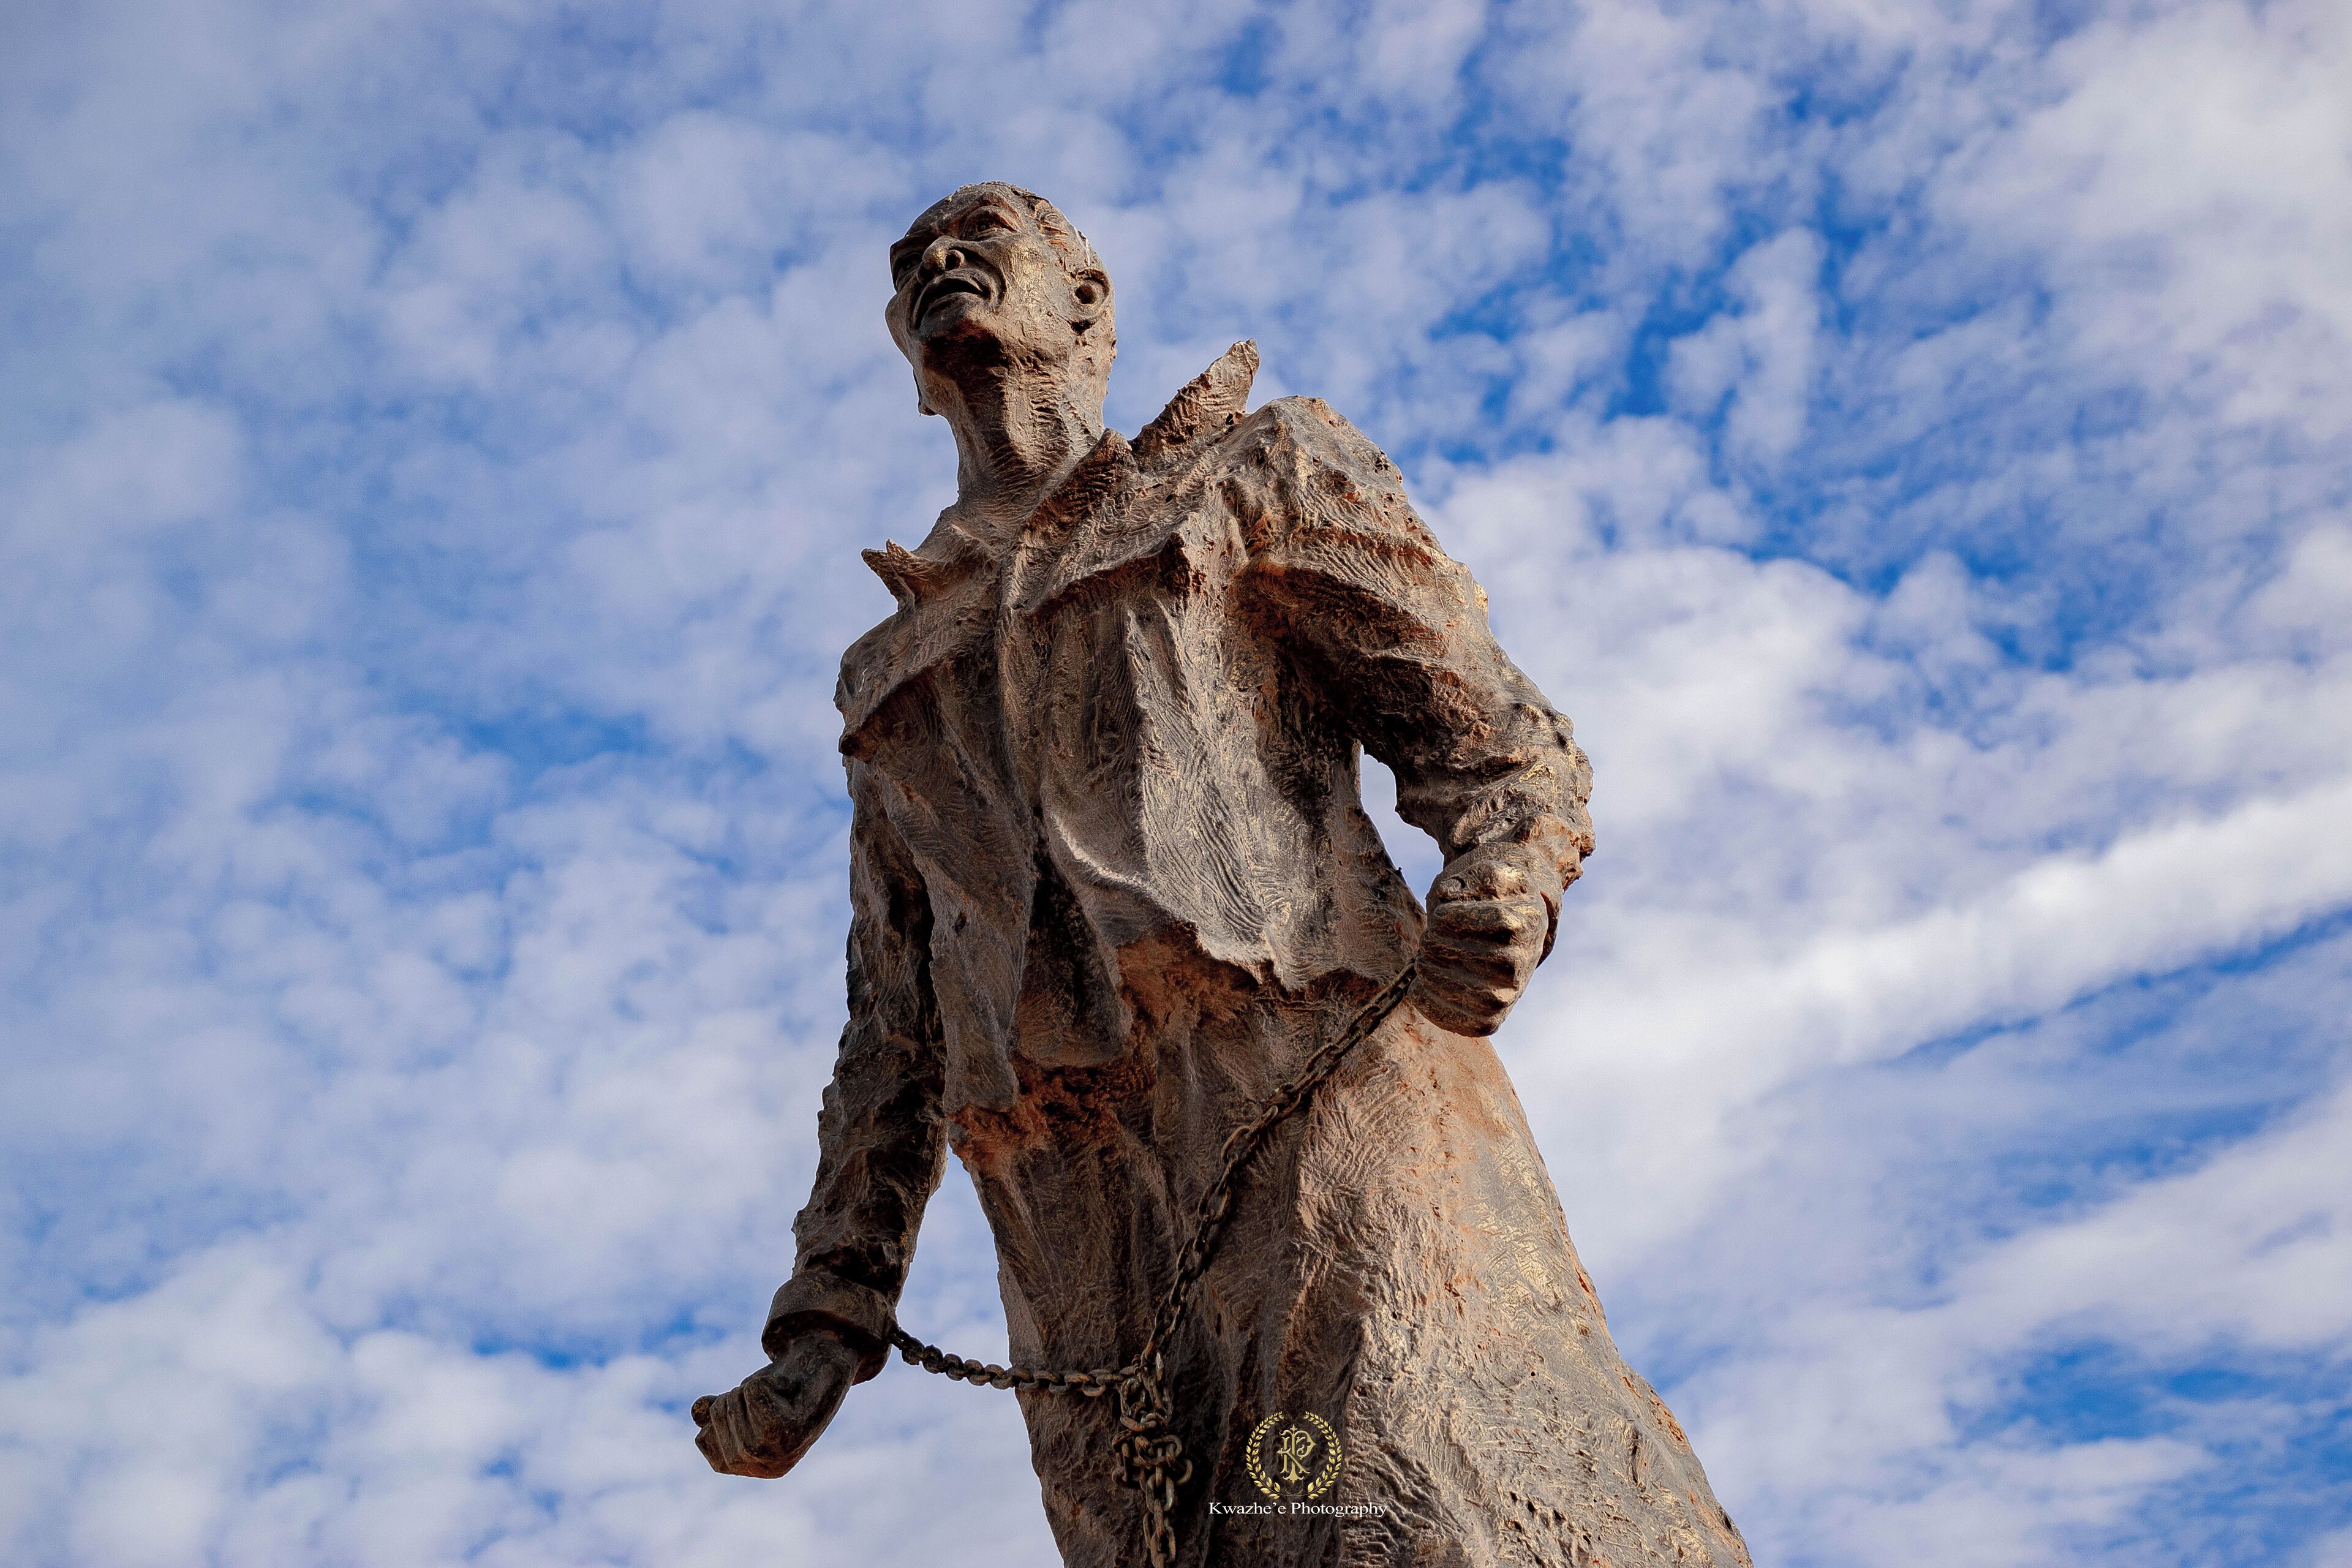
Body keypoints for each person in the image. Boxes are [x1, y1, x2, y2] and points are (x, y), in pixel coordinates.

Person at [692, 182, 1751, 1568]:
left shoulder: (1250, 475)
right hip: (1069, 1213)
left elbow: (1496, 741)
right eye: (908, 265)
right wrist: (827, 1316)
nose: (938, 263)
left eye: (983, 236)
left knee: (1412, 1513)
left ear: (1088, 307)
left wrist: (1509, 875)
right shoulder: (888, 674)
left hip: (1317, 1102)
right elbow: (891, 1031)